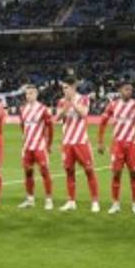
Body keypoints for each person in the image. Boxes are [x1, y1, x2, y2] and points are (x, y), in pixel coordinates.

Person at [97, 81, 135, 215]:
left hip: (132, 144)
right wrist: (100, 142)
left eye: (131, 90)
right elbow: (103, 122)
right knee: (116, 174)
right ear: (120, 90)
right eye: (126, 89)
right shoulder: (113, 105)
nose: (129, 92)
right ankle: (115, 204)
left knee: (134, 174)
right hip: (117, 145)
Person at [56, 77, 100, 213]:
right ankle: (71, 201)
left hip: (81, 141)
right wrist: (66, 106)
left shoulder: (83, 98)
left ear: (73, 87)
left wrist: (73, 103)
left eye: (66, 88)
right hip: (67, 142)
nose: (64, 90)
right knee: (69, 171)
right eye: (63, 88)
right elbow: (57, 117)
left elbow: (84, 113)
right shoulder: (61, 101)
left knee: (89, 170)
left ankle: (95, 201)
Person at [17, 84, 55, 211]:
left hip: (39, 146)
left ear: (37, 94)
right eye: (27, 93)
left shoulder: (43, 109)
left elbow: (50, 127)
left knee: (45, 172)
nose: (29, 95)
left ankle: (49, 200)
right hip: (27, 146)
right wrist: (25, 139)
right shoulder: (23, 109)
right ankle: (30, 199)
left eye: (32, 93)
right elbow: (22, 126)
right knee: (28, 173)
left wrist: (49, 144)